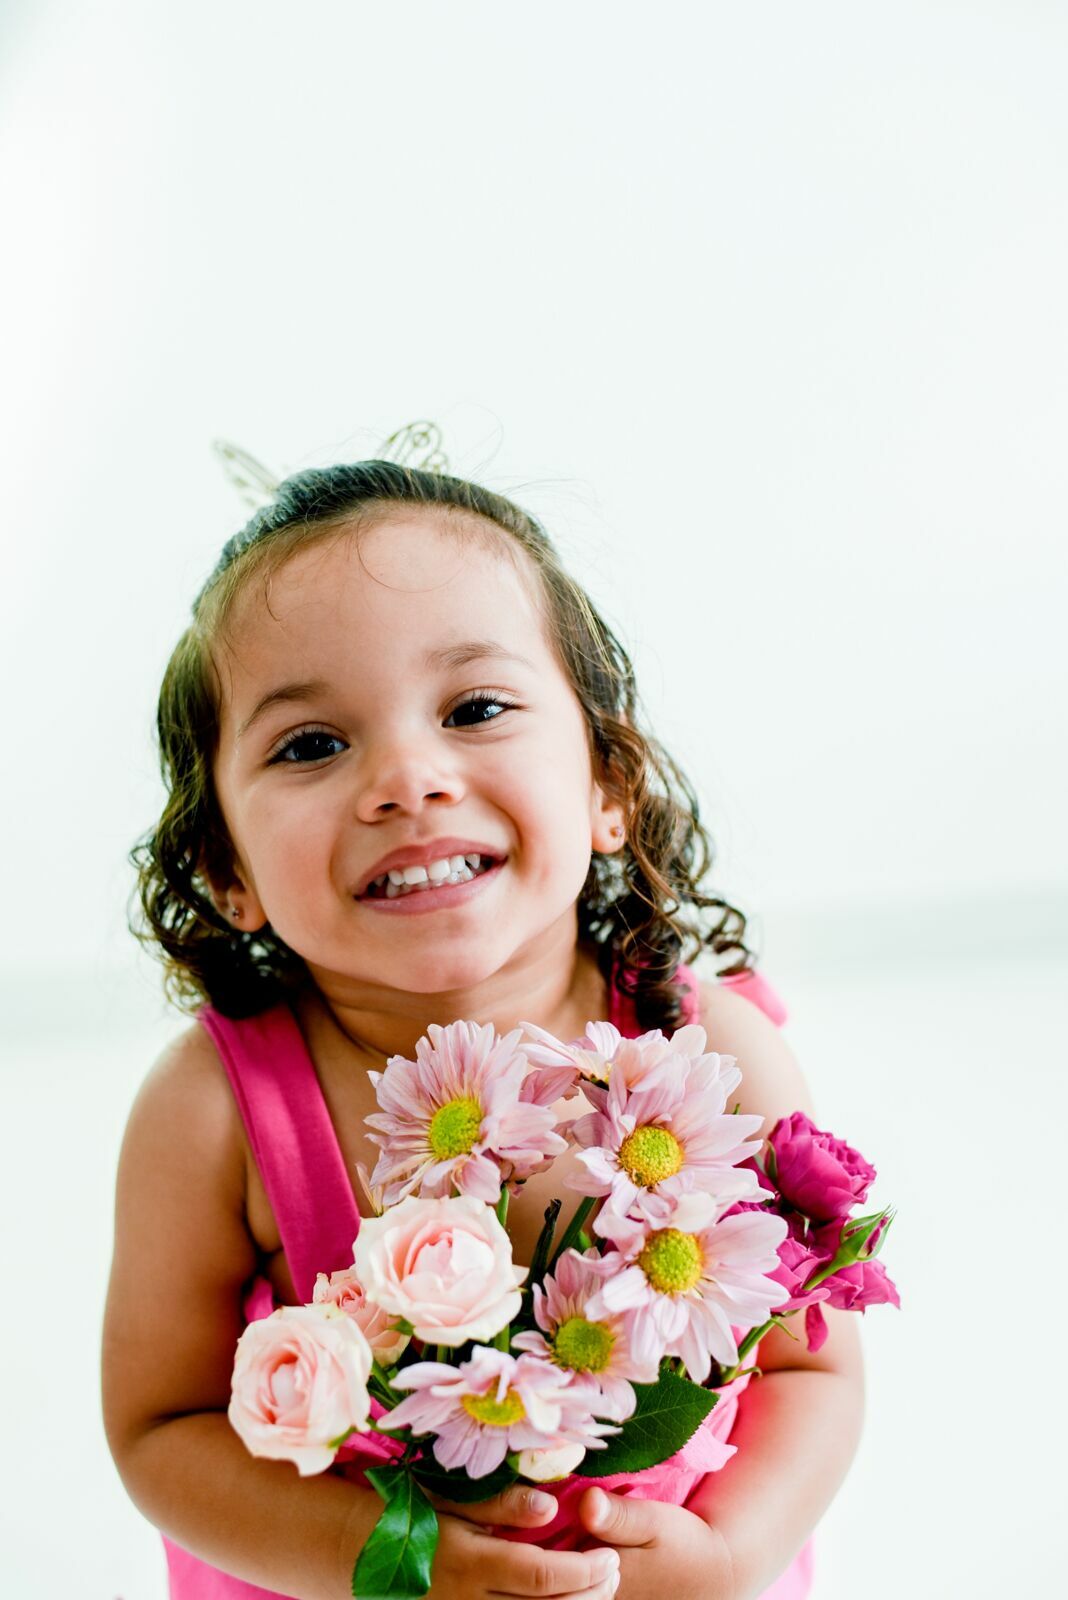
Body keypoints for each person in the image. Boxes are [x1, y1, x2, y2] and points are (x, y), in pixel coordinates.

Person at [102, 460, 864, 1600]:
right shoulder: (213, 1113)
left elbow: (814, 1371)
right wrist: (384, 1565)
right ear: (227, 870)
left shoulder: (712, 1058)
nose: (408, 779)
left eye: (475, 708)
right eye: (312, 744)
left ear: (609, 781)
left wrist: (735, 1554)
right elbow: (161, 1428)